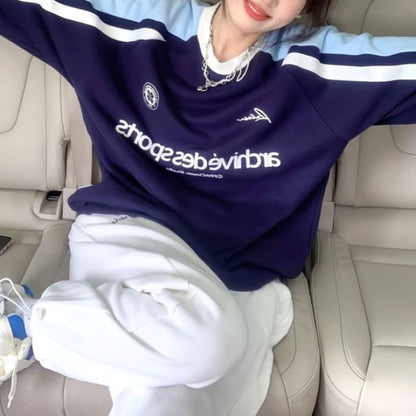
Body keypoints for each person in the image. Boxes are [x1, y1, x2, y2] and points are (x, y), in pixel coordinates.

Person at [1, 0, 416, 415]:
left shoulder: (321, 67)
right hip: (130, 232)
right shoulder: (126, 25)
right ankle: (21, 324)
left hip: (244, 271)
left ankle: (29, 324)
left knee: (176, 402)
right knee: (210, 341)